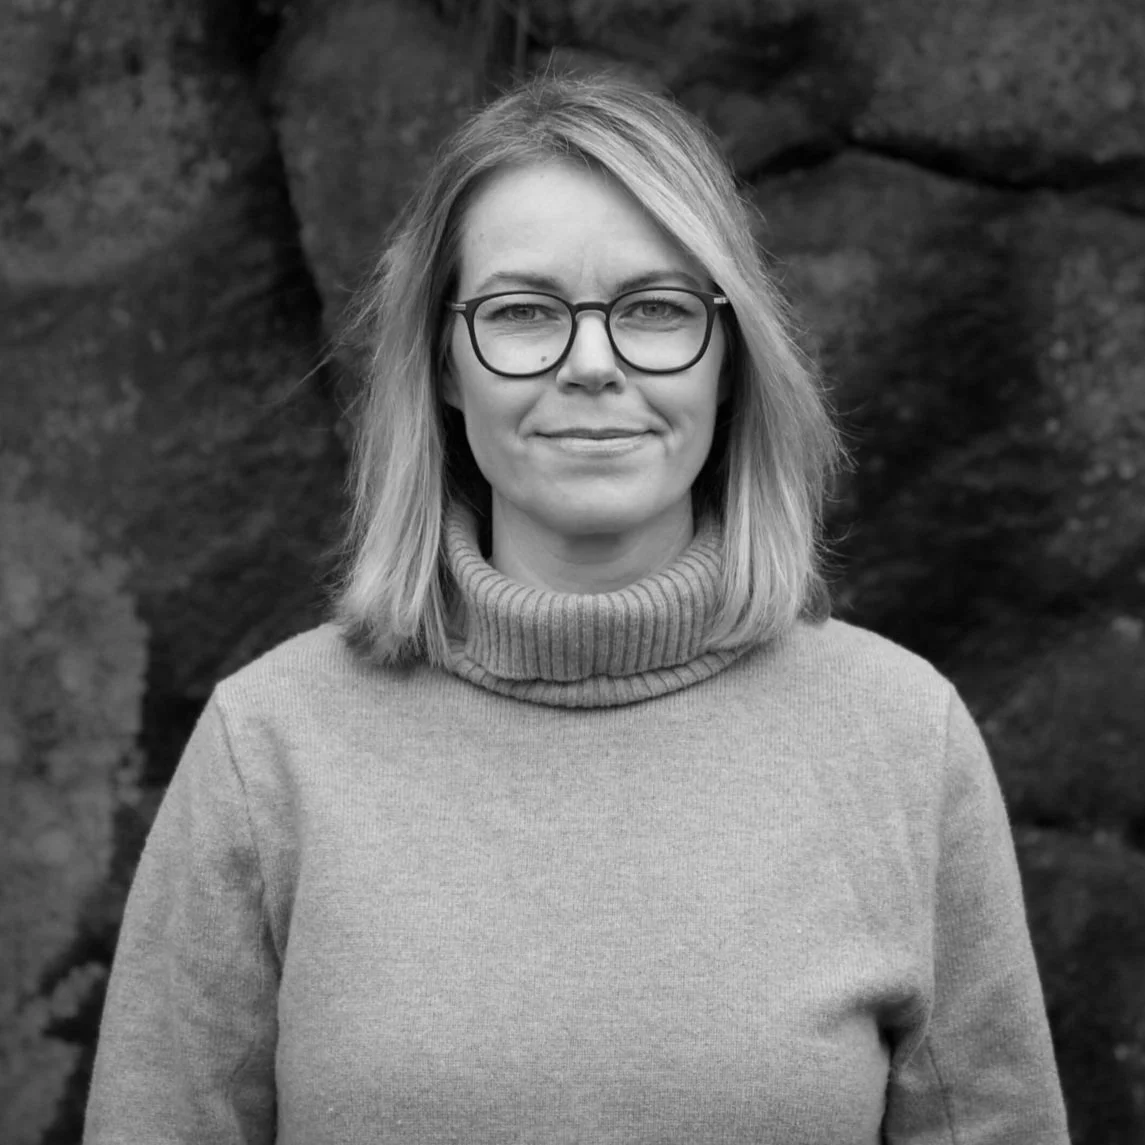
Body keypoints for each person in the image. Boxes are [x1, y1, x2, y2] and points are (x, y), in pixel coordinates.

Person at [84, 73, 1070, 1144]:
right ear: (444, 363)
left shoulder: (900, 738)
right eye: (521, 312)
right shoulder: (268, 748)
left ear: (729, 358)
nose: (592, 364)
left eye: (654, 308)